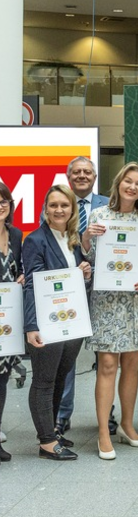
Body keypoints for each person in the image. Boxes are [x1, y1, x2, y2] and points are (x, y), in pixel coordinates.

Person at [82, 163, 138, 460]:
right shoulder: (99, 216)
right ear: (118, 183)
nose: (133, 187)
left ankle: (128, 426)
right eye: (128, 181)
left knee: (132, 364)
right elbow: (89, 256)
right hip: (107, 302)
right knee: (107, 365)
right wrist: (87, 238)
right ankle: (104, 431)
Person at [23, 185, 92, 461]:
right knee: (43, 381)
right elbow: (33, 285)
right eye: (53, 205)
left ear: (72, 209)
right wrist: (31, 326)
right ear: (45, 209)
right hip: (46, 322)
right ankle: (46, 442)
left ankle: (51, 430)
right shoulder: (35, 240)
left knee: (61, 377)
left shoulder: (72, 239)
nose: (59, 210)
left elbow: (75, 280)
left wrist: (84, 274)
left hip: (71, 322)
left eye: (64, 205)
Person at [55, 156, 110, 436]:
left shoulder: (109, 204)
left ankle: (107, 414)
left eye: (87, 172)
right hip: (69, 287)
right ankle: (62, 415)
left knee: (106, 354)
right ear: (69, 177)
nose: (82, 176)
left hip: (104, 285)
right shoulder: (58, 205)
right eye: (76, 172)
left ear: (94, 175)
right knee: (67, 354)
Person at [0, 184, 23, 465]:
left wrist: (22, 278)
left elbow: (20, 267)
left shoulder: (16, 235)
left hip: (7, 320)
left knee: (2, 377)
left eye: (4, 200)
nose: (0, 205)